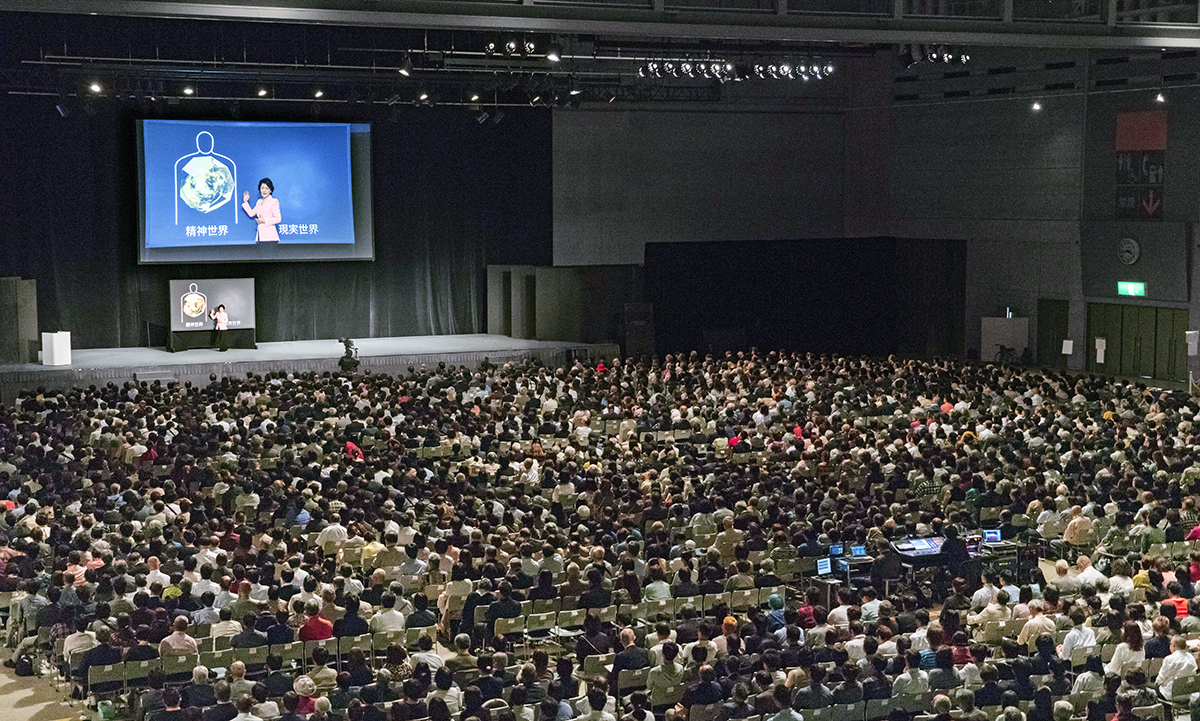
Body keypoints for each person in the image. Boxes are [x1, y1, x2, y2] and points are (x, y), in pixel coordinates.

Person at [242, 178, 281, 243]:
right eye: (262, 188)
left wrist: (264, 220)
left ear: (270, 190)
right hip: (261, 236)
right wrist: (245, 202)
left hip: (270, 236)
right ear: (260, 190)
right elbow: (251, 213)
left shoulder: (274, 201)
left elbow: (278, 219)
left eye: (267, 188)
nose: (264, 190)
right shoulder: (259, 202)